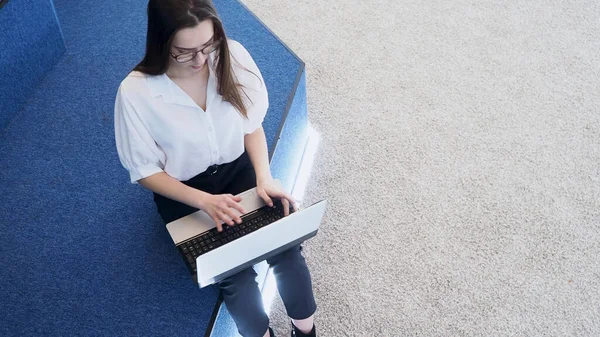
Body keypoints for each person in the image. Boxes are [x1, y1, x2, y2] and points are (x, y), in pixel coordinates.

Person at [113, 1, 317, 336]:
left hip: (238, 170)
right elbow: (145, 171)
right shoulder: (135, 93)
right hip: (184, 190)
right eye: (185, 51)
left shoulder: (232, 55)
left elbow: (251, 125)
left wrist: (264, 177)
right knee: (235, 278)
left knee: (287, 249)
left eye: (209, 45)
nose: (201, 60)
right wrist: (205, 202)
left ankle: (306, 331)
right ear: (161, 42)